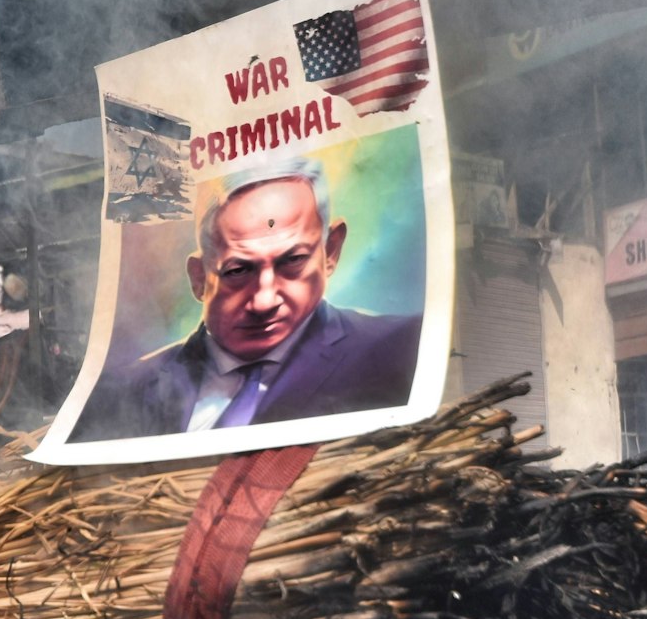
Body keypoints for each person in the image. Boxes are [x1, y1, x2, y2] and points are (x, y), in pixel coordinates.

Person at [71, 159, 421, 441]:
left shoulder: (398, 352)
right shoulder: (122, 393)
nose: (264, 300)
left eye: (293, 261)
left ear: (331, 251)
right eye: (238, 271)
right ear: (198, 278)